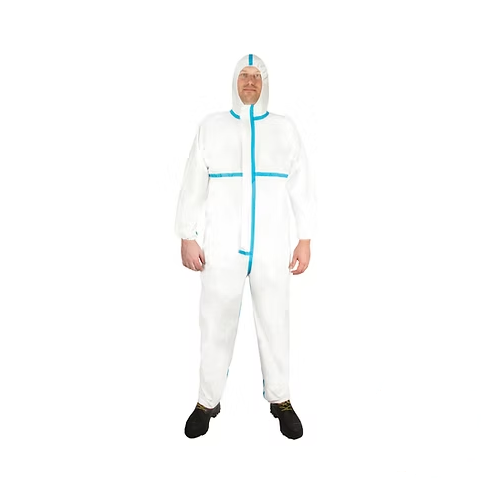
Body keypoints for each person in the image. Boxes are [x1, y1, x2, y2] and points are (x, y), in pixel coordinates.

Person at [175, 54, 316, 440]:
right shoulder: (212, 127)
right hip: (221, 247)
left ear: (265, 83)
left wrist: (305, 238)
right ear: (234, 81)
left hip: (272, 246)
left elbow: (302, 185)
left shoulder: (284, 129)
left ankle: (280, 399)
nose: (250, 81)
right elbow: (192, 182)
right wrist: (187, 234)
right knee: (214, 323)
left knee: (275, 321)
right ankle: (207, 401)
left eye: (256, 76)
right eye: (244, 75)